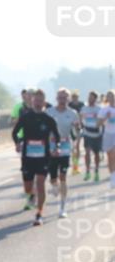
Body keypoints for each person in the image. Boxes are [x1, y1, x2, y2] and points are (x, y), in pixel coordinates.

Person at [12, 88, 60, 226]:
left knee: (40, 182)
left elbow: (56, 135)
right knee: (28, 186)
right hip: (27, 156)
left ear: (44, 102)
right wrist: (17, 143)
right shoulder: (26, 117)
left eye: (40, 101)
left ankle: (39, 214)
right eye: (36, 100)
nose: (38, 103)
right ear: (32, 101)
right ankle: (31, 195)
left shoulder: (49, 119)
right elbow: (15, 132)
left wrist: (55, 147)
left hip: (43, 156)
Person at [45, 88, 80, 218]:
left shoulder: (73, 113)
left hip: (65, 146)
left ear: (68, 99)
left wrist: (77, 134)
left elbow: (77, 131)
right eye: (60, 97)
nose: (62, 100)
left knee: (63, 177)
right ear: (56, 98)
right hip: (51, 146)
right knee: (53, 178)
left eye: (65, 97)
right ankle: (55, 186)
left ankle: (62, 208)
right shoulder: (49, 112)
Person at [80, 91, 104, 182]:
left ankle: (96, 171)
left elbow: (102, 120)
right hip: (87, 133)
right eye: (89, 97)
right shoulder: (84, 108)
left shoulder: (99, 109)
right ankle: (87, 172)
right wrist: (81, 125)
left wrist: (99, 124)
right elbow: (80, 117)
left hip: (97, 134)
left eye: (92, 98)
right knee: (87, 152)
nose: (90, 99)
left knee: (96, 154)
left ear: (95, 99)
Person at [69, 90, 84, 174]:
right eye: (73, 97)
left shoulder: (81, 105)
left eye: (76, 97)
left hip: (79, 127)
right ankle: (74, 165)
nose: (74, 98)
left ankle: (76, 164)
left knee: (77, 146)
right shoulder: (69, 105)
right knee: (73, 148)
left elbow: (83, 115)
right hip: (71, 128)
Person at [102, 90, 115, 188]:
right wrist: (106, 118)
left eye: (112, 96)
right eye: (109, 96)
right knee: (110, 157)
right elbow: (97, 124)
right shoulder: (104, 110)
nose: (111, 98)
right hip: (108, 134)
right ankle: (112, 177)